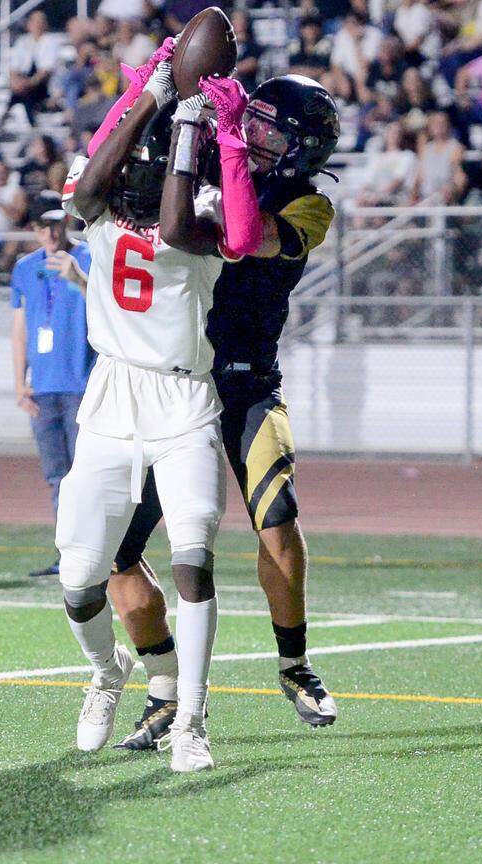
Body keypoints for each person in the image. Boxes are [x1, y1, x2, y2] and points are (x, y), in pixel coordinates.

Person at [104, 74, 342, 749]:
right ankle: (163, 688)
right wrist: (158, 98)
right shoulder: (207, 160)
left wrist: (225, 147)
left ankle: (294, 663)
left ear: (303, 150)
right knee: (118, 551)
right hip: (175, 384)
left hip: (244, 384)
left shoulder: (308, 205)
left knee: (279, 525)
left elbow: (248, 237)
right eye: (250, 122)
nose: (253, 135)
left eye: (269, 129)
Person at [57, 37, 238, 772]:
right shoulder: (100, 204)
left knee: (192, 553)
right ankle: (107, 671)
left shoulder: (196, 209)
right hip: (112, 397)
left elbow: (169, 228)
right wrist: (152, 97)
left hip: (183, 398)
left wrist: (188, 122)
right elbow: (89, 190)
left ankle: (191, 717)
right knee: (77, 579)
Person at [10, 192, 94, 577]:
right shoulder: (25, 269)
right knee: (57, 476)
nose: (51, 232)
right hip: (43, 385)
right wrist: (19, 382)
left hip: (81, 383)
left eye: (56, 224)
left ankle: (95, 553)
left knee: (85, 475)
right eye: (43, 226)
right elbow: (19, 329)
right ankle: (68, 555)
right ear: (34, 230)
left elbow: (107, 305)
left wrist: (77, 278)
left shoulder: (89, 257)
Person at [6, 10, 63, 126]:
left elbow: (46, 71)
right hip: (25, 82)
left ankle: (7, 116)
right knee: (22, 93)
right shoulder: (22, 41)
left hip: (43, 85)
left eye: (40, 21)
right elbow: (14, 68)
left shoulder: (51, 42)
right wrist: (16, 83)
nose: (37, 24)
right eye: (34, 21)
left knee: (25, 95)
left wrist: (27, 84)